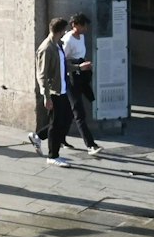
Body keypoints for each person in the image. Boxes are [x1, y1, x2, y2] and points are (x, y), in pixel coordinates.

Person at [30, 17, 75, 166]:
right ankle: (53, 155)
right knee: (56, 124)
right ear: (60, 31)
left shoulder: (58, 45)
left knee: (66, 118)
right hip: (54, 92)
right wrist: (46, 96)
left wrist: (79, 68)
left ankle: (38, 136)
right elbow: (41, 75)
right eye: (64, 30)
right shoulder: (46, 48)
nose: (65, 32)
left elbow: (62, 65)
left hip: (62, 89)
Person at [63, 13, 103, 156]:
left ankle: (44, 136)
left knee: (68, 112)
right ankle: (90, 145)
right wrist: (78, 66)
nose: (85, 28)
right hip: (72, 78)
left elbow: (80, 54)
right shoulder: (68, 40)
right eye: (83, 25)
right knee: (79, 113)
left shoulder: (81, 37)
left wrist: (85, 64)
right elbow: (63, 61)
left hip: (81, 77)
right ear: (74, 25)